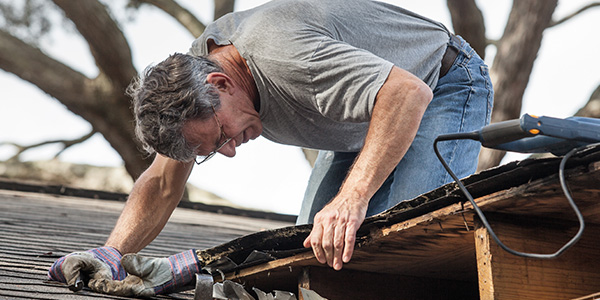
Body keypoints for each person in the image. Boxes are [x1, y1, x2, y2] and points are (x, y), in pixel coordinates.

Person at [48, 0, 493, 296]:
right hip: (362, 118)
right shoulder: (190, 83)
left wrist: (353, 198)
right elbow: (164, 181)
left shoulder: (284, 57)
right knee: (312, 258)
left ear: (220, 83)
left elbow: (406, 94)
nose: (229, 151)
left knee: (406, 245)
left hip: (441, 83)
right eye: (211, 149)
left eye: (221, 136)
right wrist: (112, 253)